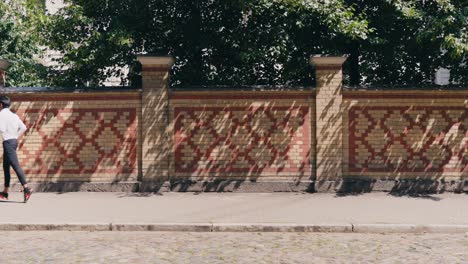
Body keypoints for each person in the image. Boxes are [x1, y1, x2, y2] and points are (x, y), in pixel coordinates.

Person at [0, 95, 32, 202]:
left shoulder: (2, 114)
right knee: (6, 167)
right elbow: (23, 127)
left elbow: (2, 129)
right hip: (13, 142)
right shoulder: (13, 115)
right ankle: (5, 192)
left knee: (15, 165)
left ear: (1, 105)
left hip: (8, 143)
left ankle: (26, 189)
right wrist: (15, 135)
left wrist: (9, 136)